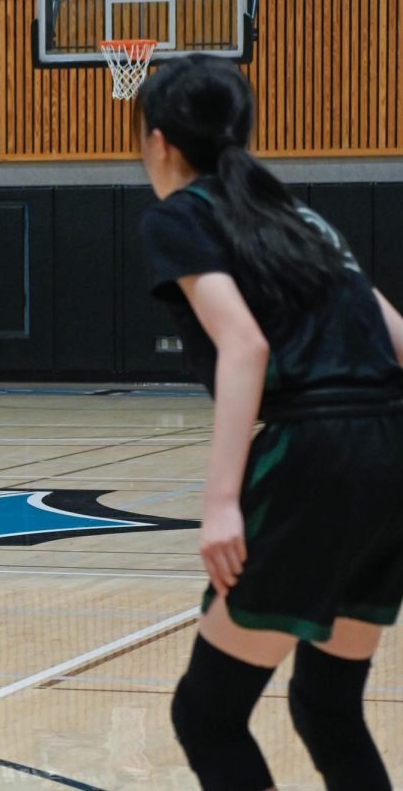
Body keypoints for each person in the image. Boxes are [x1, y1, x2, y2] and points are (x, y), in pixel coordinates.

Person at [137, 55, 402, 789]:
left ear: (159, 142)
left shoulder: (179, 214)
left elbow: (245, 343)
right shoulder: (301, 217)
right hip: (388, 447)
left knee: (207, 714)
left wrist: (222, 500)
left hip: (315, 452)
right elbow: (397, 337)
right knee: (326, 702)